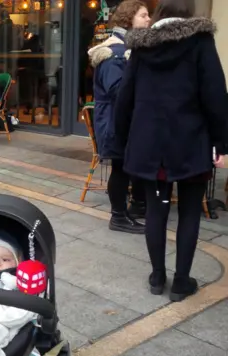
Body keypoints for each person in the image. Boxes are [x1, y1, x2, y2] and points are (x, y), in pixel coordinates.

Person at [115, 0, 228, 302]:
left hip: (150, 144)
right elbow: (215, 93)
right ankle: (181, 282)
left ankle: (156, 277)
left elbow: (126, 95)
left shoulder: (142, 46)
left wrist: (123, 139)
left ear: (160, 14)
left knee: (156, 210)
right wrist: (221, 142)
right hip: (191, 141)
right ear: (190, 13)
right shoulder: (201, 41)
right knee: (190, 211)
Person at [87, 0, 151, 234]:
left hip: (124, 119)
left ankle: (135, 207)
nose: (148, 19)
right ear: (129, 18)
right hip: (115, 120)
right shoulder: (114, 53)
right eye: (143, 15)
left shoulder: (128, 49)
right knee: (121, 166)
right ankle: (119, 216)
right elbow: (118, 90)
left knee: (128, 165)